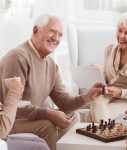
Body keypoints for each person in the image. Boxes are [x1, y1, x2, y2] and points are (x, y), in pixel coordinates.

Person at [0, 14, 107, 150]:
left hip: (29, 119)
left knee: (73, 117)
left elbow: (63, 101)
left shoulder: (51, 65)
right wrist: (48, 113)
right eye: (52, 31)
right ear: (36, 31)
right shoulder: (18, 57)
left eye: (60, 34)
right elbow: (15, 107)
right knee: (47, 126)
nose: (56, 38)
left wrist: (88, 97)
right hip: (9, 121)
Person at [85, 12, 127, 122]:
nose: (121, 36)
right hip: (108, 94)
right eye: (119, 30)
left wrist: (121, 92)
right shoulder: (109, 49)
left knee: (90, 117)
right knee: (96, 98)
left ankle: (97, 134)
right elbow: (105, 77)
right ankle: (101, 135)